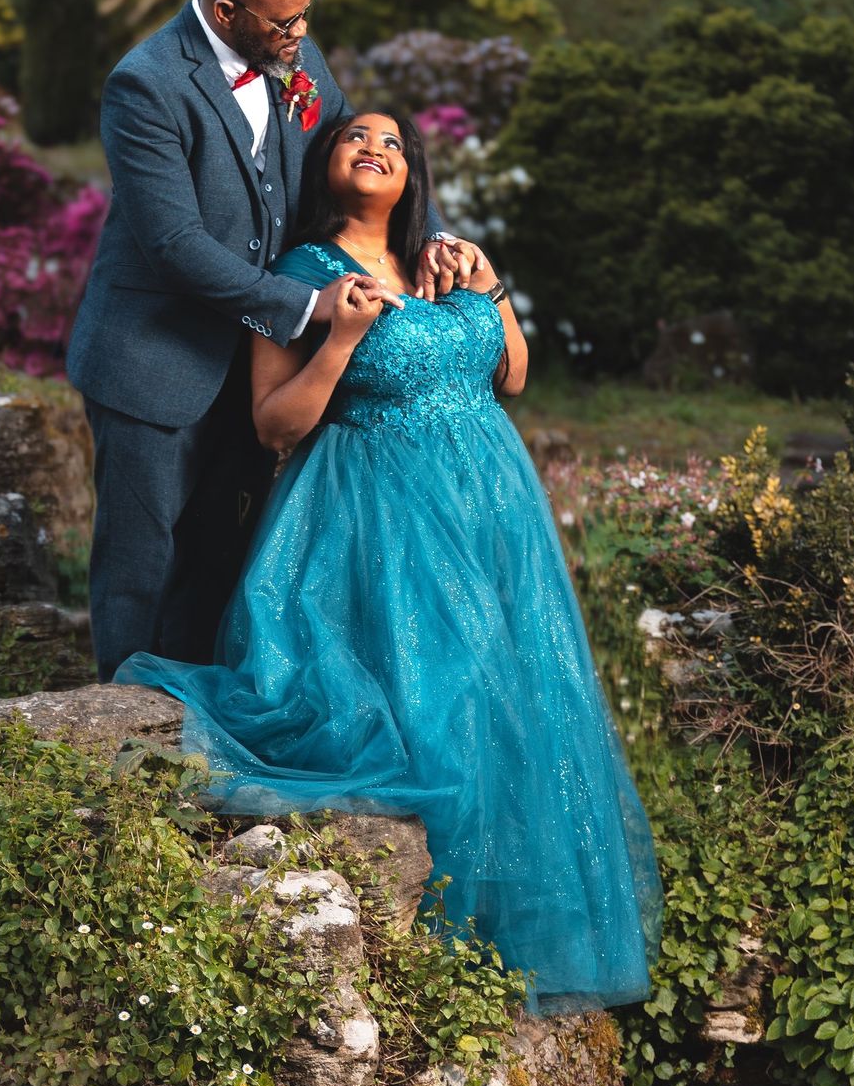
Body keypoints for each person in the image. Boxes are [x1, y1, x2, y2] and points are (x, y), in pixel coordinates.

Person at [118, 107, 662, 1008]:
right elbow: (272, 425)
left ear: (412, 173)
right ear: (323, 165)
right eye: (352, 138)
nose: (374, 149)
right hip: (377, 508)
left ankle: (520, 936)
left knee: (516, 695)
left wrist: (490, 291)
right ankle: (443, 948)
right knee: (438, 697)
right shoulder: (298, 274)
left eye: (392, 143)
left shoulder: (447, 261)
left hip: (491, 502)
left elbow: (511, 376)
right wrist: (338, 339)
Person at [67, 0, 471, 680]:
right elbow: (177, 246)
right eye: (285, 22)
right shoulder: (145, 84)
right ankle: (118, 729)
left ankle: (193, 720)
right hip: (153, 355)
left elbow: (350, 148)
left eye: (307, 13)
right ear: (225, 12)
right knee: (141, 558)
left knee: (221, 551)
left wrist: (429, 241)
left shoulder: (296, 58)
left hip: (255, 366)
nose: (303, 35)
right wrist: (308, 306)